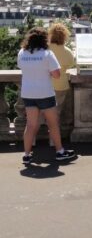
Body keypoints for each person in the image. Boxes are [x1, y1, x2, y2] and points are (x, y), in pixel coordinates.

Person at [17, 27, 76, 164]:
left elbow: (22, 68)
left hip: (28, 93)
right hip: (45, 93)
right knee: (53, 123)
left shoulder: (22, 53)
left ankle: (26, 154)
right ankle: (59, 151)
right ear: (44, 39)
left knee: (31, 125)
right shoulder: (47, 54)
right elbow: (56, 74)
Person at [48, 23, 75, 145]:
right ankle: (53, 140)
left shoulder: (46, 49)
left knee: (38, 115)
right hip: (61, 85)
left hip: (46, 85)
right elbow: (71, 64)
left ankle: (32, 140)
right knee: (56, 114)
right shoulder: (67, 51)